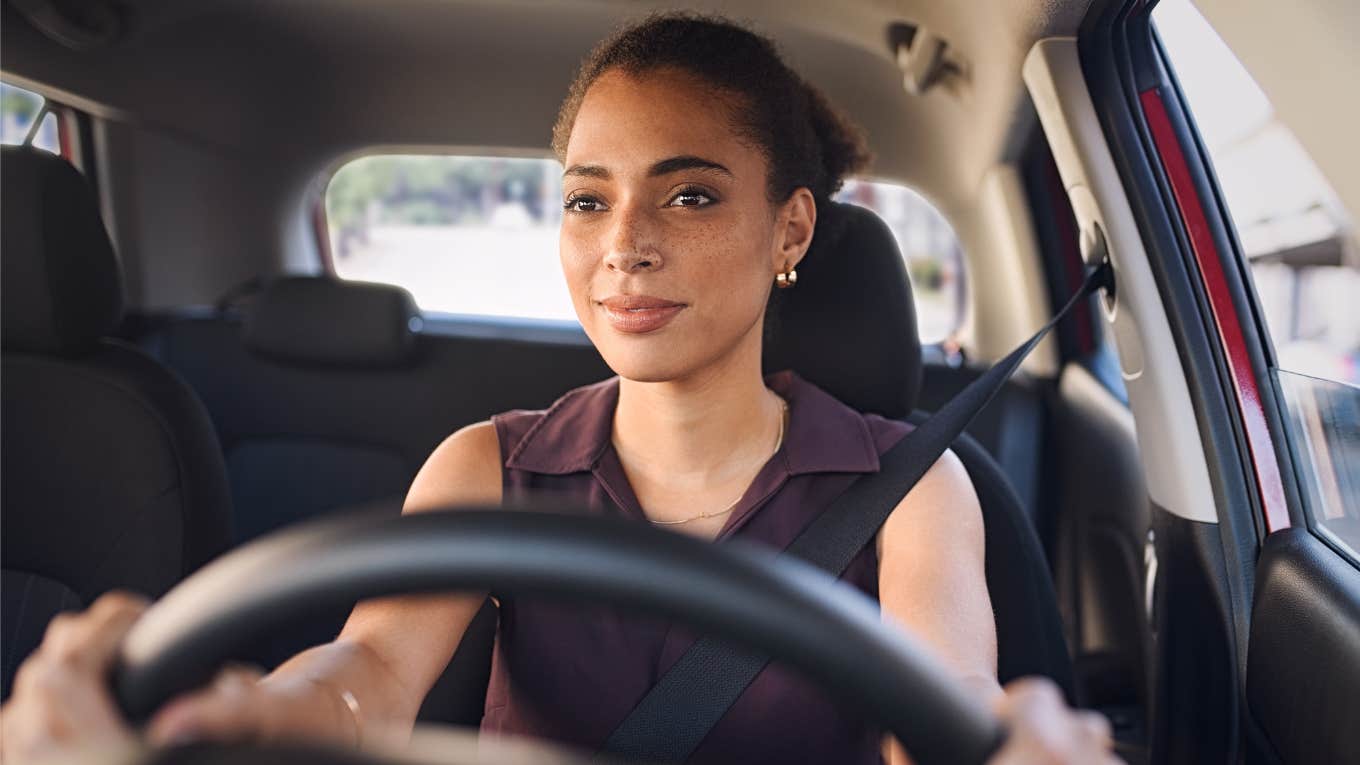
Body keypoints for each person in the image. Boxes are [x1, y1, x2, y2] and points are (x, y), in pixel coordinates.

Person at [0, 13, 1116, 765]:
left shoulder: (912, 489)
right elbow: (370, 667)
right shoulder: (485, 464)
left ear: (790, 228)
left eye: (686, 198)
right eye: (588, 201)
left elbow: (939, 707)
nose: (621, 246)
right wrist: (251, 718)